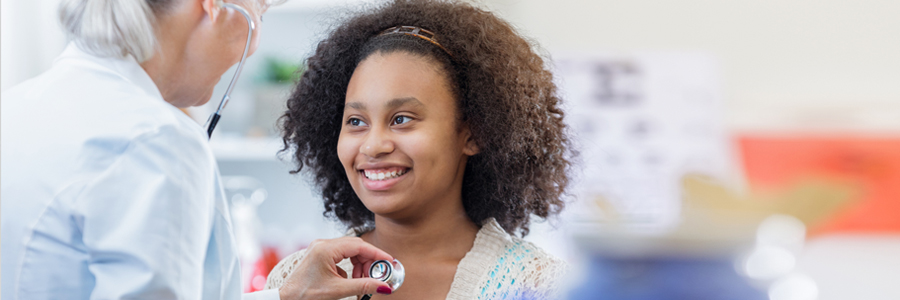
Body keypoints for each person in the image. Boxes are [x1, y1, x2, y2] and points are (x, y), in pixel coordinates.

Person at [1, 0, 395, 299]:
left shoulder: (16, 108)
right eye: (258, 15)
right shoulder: (154, 137)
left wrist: (285, 295)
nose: (254, 43)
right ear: (214, 8)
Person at [267, 0, 573, 299]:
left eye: (401, 119)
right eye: (356, 121)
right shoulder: (297, 280)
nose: (373, 145)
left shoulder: (540, 286)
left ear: (473, 134)